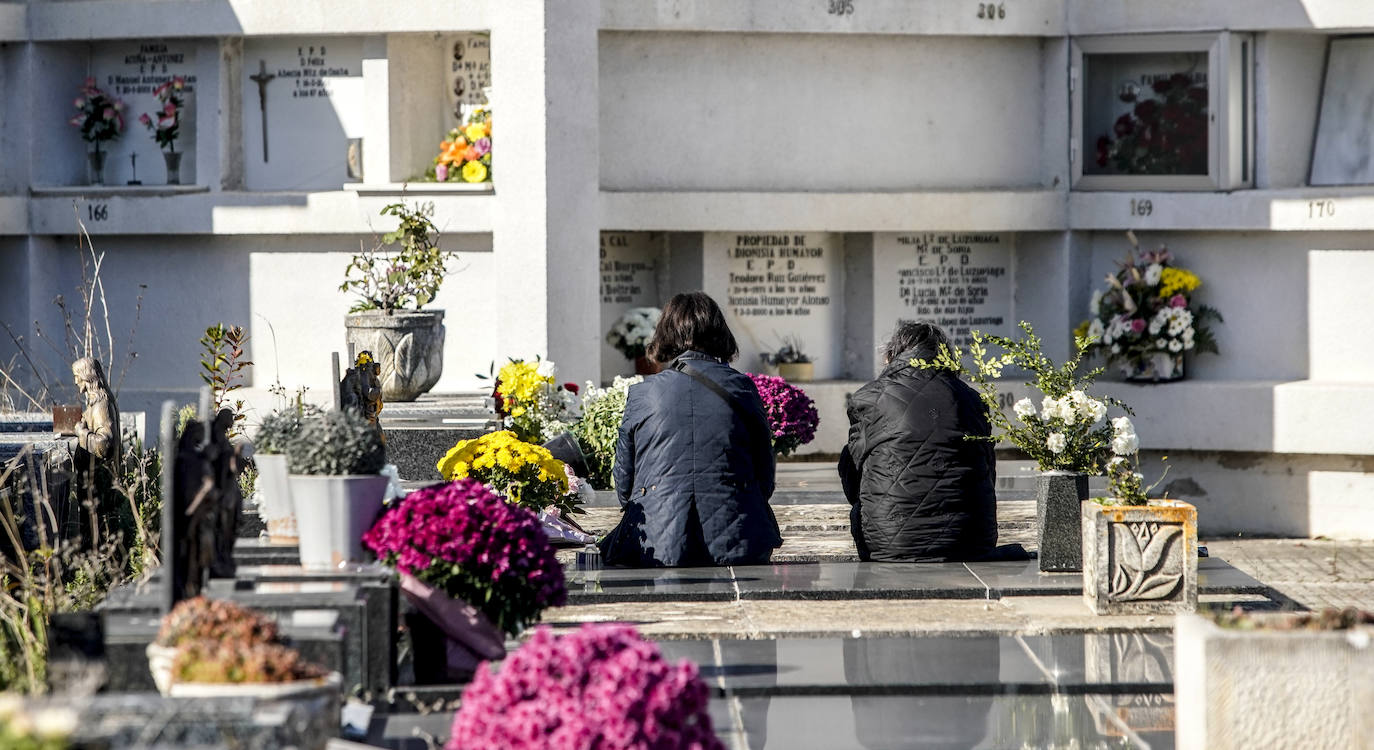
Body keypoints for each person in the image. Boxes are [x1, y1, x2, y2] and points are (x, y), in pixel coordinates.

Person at [599, 292, 781, 567]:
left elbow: (624, 483)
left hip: (656, 542)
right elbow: (764, 474)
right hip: (740, 540)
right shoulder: (742, 388)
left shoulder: (643, 393)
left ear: (665, 334)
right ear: (720, 333)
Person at [838, 321, 998, 562]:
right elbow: (988, 470)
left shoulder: (869, 398)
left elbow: (853, 476)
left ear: (890, 356)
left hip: (891, 543)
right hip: (971, 540)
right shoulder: (972, 399)